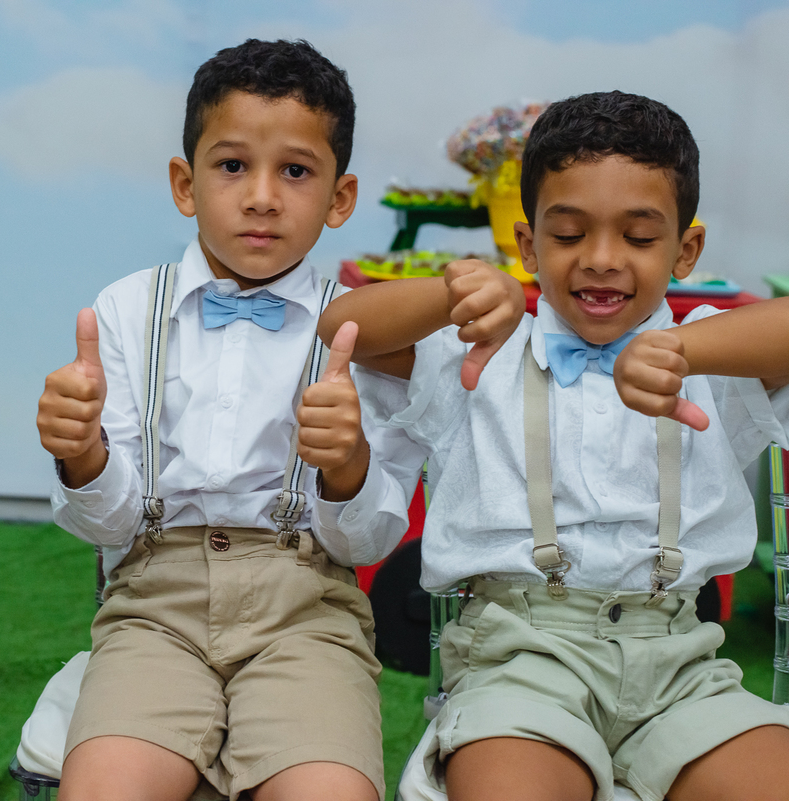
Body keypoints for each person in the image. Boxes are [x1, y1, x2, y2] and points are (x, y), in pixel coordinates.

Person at [320, 90, 789, 801]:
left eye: (638, 237)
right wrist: (450, 295)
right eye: (569, 235)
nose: (602, 259)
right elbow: (342, 326)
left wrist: (684, 348)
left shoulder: (718, 367)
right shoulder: (479, 351)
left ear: (686, 249)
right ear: (528, 243)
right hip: (519, 657)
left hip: (681, 663)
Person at [35, 38, 429, 801]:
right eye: (231, 166)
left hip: (309, 608)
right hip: (155, 600)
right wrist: (81, 452)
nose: (261, 196)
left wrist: (346, 463)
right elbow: (110, 524)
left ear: (339, 198)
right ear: (185, 184)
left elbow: (369, 540)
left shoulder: (363, 329)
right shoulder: (124, 310)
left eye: (295, 171)